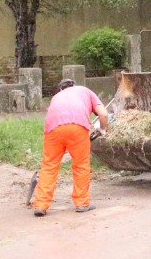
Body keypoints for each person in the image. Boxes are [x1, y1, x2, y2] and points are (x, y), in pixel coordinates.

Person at [32, 79, 109, 217]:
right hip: (77, 127)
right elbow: (103, 114)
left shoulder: (56, 97)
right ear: (74, 86)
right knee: (81, 165)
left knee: (49, 166)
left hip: (53, 129)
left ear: (60, 89)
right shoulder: (85, 91)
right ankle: (81, 203)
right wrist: (103, 129)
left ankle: (41, 205)